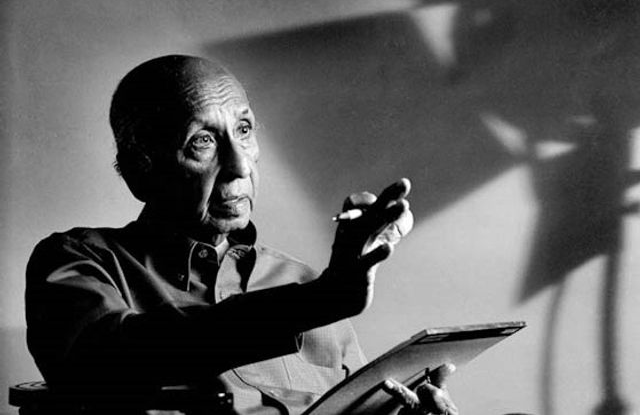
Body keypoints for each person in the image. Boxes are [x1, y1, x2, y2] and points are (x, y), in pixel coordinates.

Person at [25, 55, 458, 415]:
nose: (240, 166)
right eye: (202, 141)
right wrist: (317, 301)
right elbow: (106, 360)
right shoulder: (79, 260)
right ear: (141, 168)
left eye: (244, 130)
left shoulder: (304, 280)